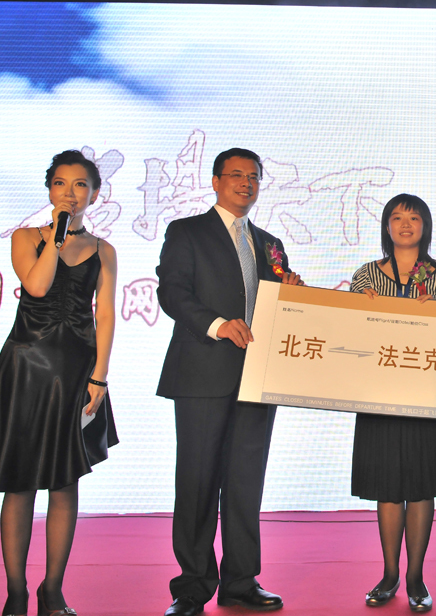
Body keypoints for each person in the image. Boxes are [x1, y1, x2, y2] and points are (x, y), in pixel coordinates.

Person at [0, 150, 119, 616]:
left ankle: (52, 592)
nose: (70, 193)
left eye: (80, 185)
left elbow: (105, 314)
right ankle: (15, 593)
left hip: (75, 373)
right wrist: (56, 237)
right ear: (49, 189)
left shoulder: (104, 250)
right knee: (19, 483)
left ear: (95, 194)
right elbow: (35, 286)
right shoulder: (26, 237)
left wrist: (100, 375)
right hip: (27, 368)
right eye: (60, 184)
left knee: (64, 481)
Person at [156, 148, 304, 616]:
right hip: (202, 373)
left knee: (245, 484)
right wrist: (218, 324)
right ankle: (191, 588)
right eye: (236, 175)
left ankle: (240, 581)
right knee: (197, 482)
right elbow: (172, 292)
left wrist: (293, 297)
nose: (246, 183)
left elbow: (276, 306)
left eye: (254, 176)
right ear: (216, 181)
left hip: (258, 377)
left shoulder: (270, 243)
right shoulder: (186, 232)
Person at [349, 193, 436, 613]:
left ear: (425, 226)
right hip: (379, 394)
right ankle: (389, 574)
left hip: (426, 394)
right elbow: (351, 328)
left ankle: (415, 577)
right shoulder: (366, 275)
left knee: (420, 485)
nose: (404, 224)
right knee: (387, 486)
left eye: (413, 218)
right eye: (396, 217)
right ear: (386, 226)